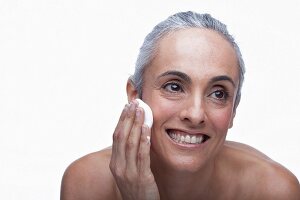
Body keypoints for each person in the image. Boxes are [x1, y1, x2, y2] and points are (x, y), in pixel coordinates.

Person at [60, 11, 300, 200]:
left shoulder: (272, 190)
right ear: (135, 96)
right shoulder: (87, 184)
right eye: (174, 87)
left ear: (234, 110)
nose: (196, 114)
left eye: (218, 93)